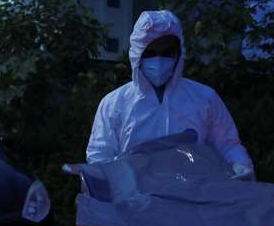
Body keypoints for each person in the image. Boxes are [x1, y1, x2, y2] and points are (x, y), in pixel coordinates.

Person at [86, 10, 254, 179]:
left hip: (194, 199)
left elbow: (228, 145)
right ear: (137, 54)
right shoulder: (114, 104)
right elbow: (99, 157)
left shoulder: (205, 99)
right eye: (150, 53)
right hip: (135, 200)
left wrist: (240, 164)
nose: (158, 60)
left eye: (167, 53)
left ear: (179, 53)